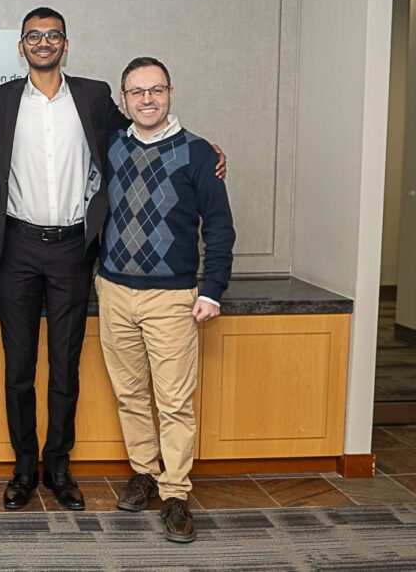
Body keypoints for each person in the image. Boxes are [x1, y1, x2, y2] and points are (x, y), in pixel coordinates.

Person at [0, 7, 226, 512]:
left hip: (73, 249)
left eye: (53, 35)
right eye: (33, 36)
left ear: (66, 45)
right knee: (19, 368)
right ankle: (25, 468)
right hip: (17, 248)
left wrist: (209, 152)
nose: (43, 42)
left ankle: (60, 469)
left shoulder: (93, 98)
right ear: (20, 46)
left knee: (65, 367)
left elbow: (149, 131)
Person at [96, 57, 235, 543]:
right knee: (130, 394)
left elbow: (219, 226)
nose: (147, 99)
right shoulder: (111, 145)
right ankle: (143, 473)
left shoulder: (198, 153)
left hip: (173, 297)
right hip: (113, 290)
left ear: (171, 93)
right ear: (124, 98)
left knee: (175, 401)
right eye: (137, 92)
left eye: (156, 90)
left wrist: (213, 289)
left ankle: (175, 493)